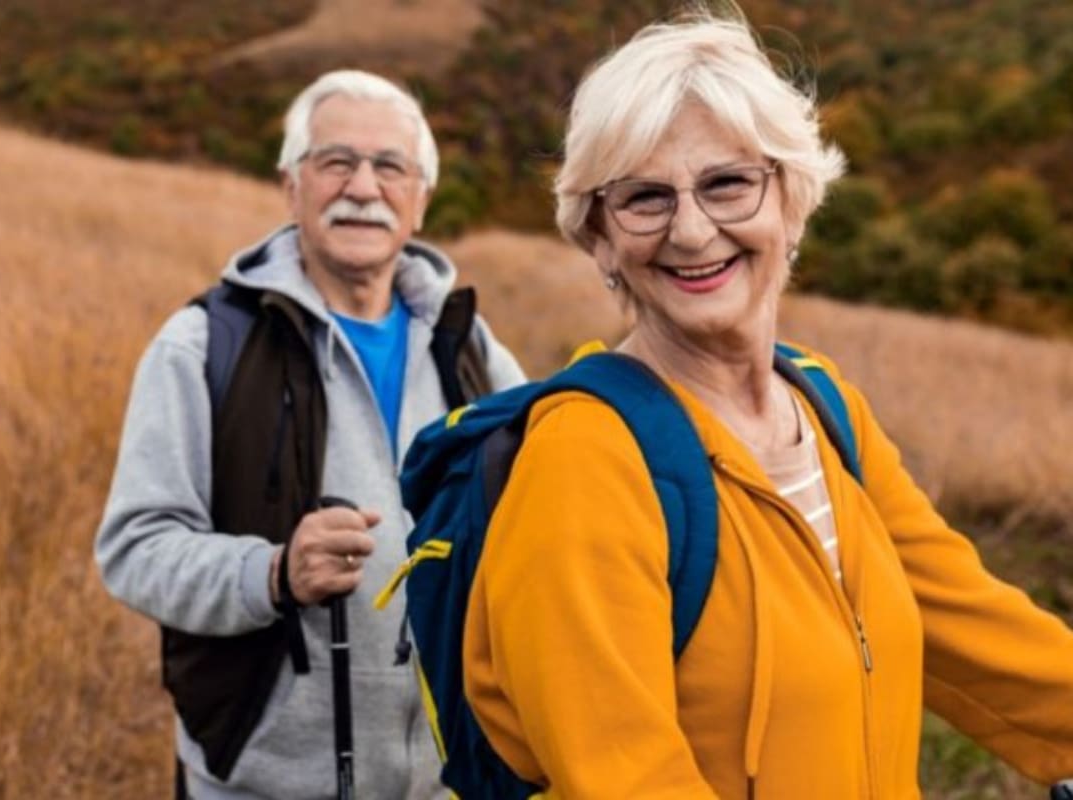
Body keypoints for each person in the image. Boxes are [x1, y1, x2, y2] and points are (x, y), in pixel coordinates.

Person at [460, 9, 1073, 798]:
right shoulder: (582, 460)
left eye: (727, 183)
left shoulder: (823, 408)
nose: (690, 230)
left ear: (792, 200)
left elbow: (978, 631)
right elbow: (623, 778)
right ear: (600, 241)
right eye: (644, 199)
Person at [96, 69, 525, 800]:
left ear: (420, 200)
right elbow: (134, 549)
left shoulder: (472, 349)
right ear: (292, 188)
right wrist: (272, 573)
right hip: (258, 784)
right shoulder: (202, 346)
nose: (363, 185)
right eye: (335, 161)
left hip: (441, 784)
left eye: (390, 166)